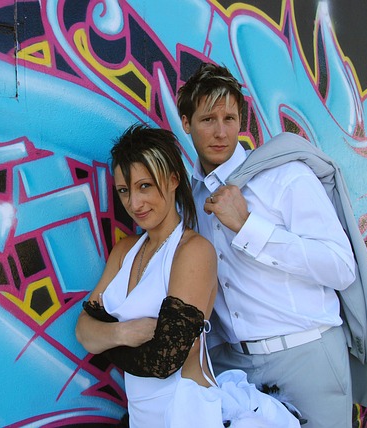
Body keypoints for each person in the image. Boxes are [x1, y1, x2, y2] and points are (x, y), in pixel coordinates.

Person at [75, 124, 301, 427]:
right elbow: (83, 331)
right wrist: (125, 333)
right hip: (142, 419)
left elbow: (165, 360)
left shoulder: (193, 251)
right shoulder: (124, 251)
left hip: (189, 416)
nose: (134, 203)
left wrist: (104, 338)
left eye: (145, 186)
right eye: (124, 191)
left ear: (172, 180)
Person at [177, 62, 358, 427]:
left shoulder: (285, 176)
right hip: (234, 370)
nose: (221, 132)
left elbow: (341, 266)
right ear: (186, 123)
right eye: (208, 119)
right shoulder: (191, 200)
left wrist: (249, 227)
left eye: (229, 118)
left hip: (307, 357)